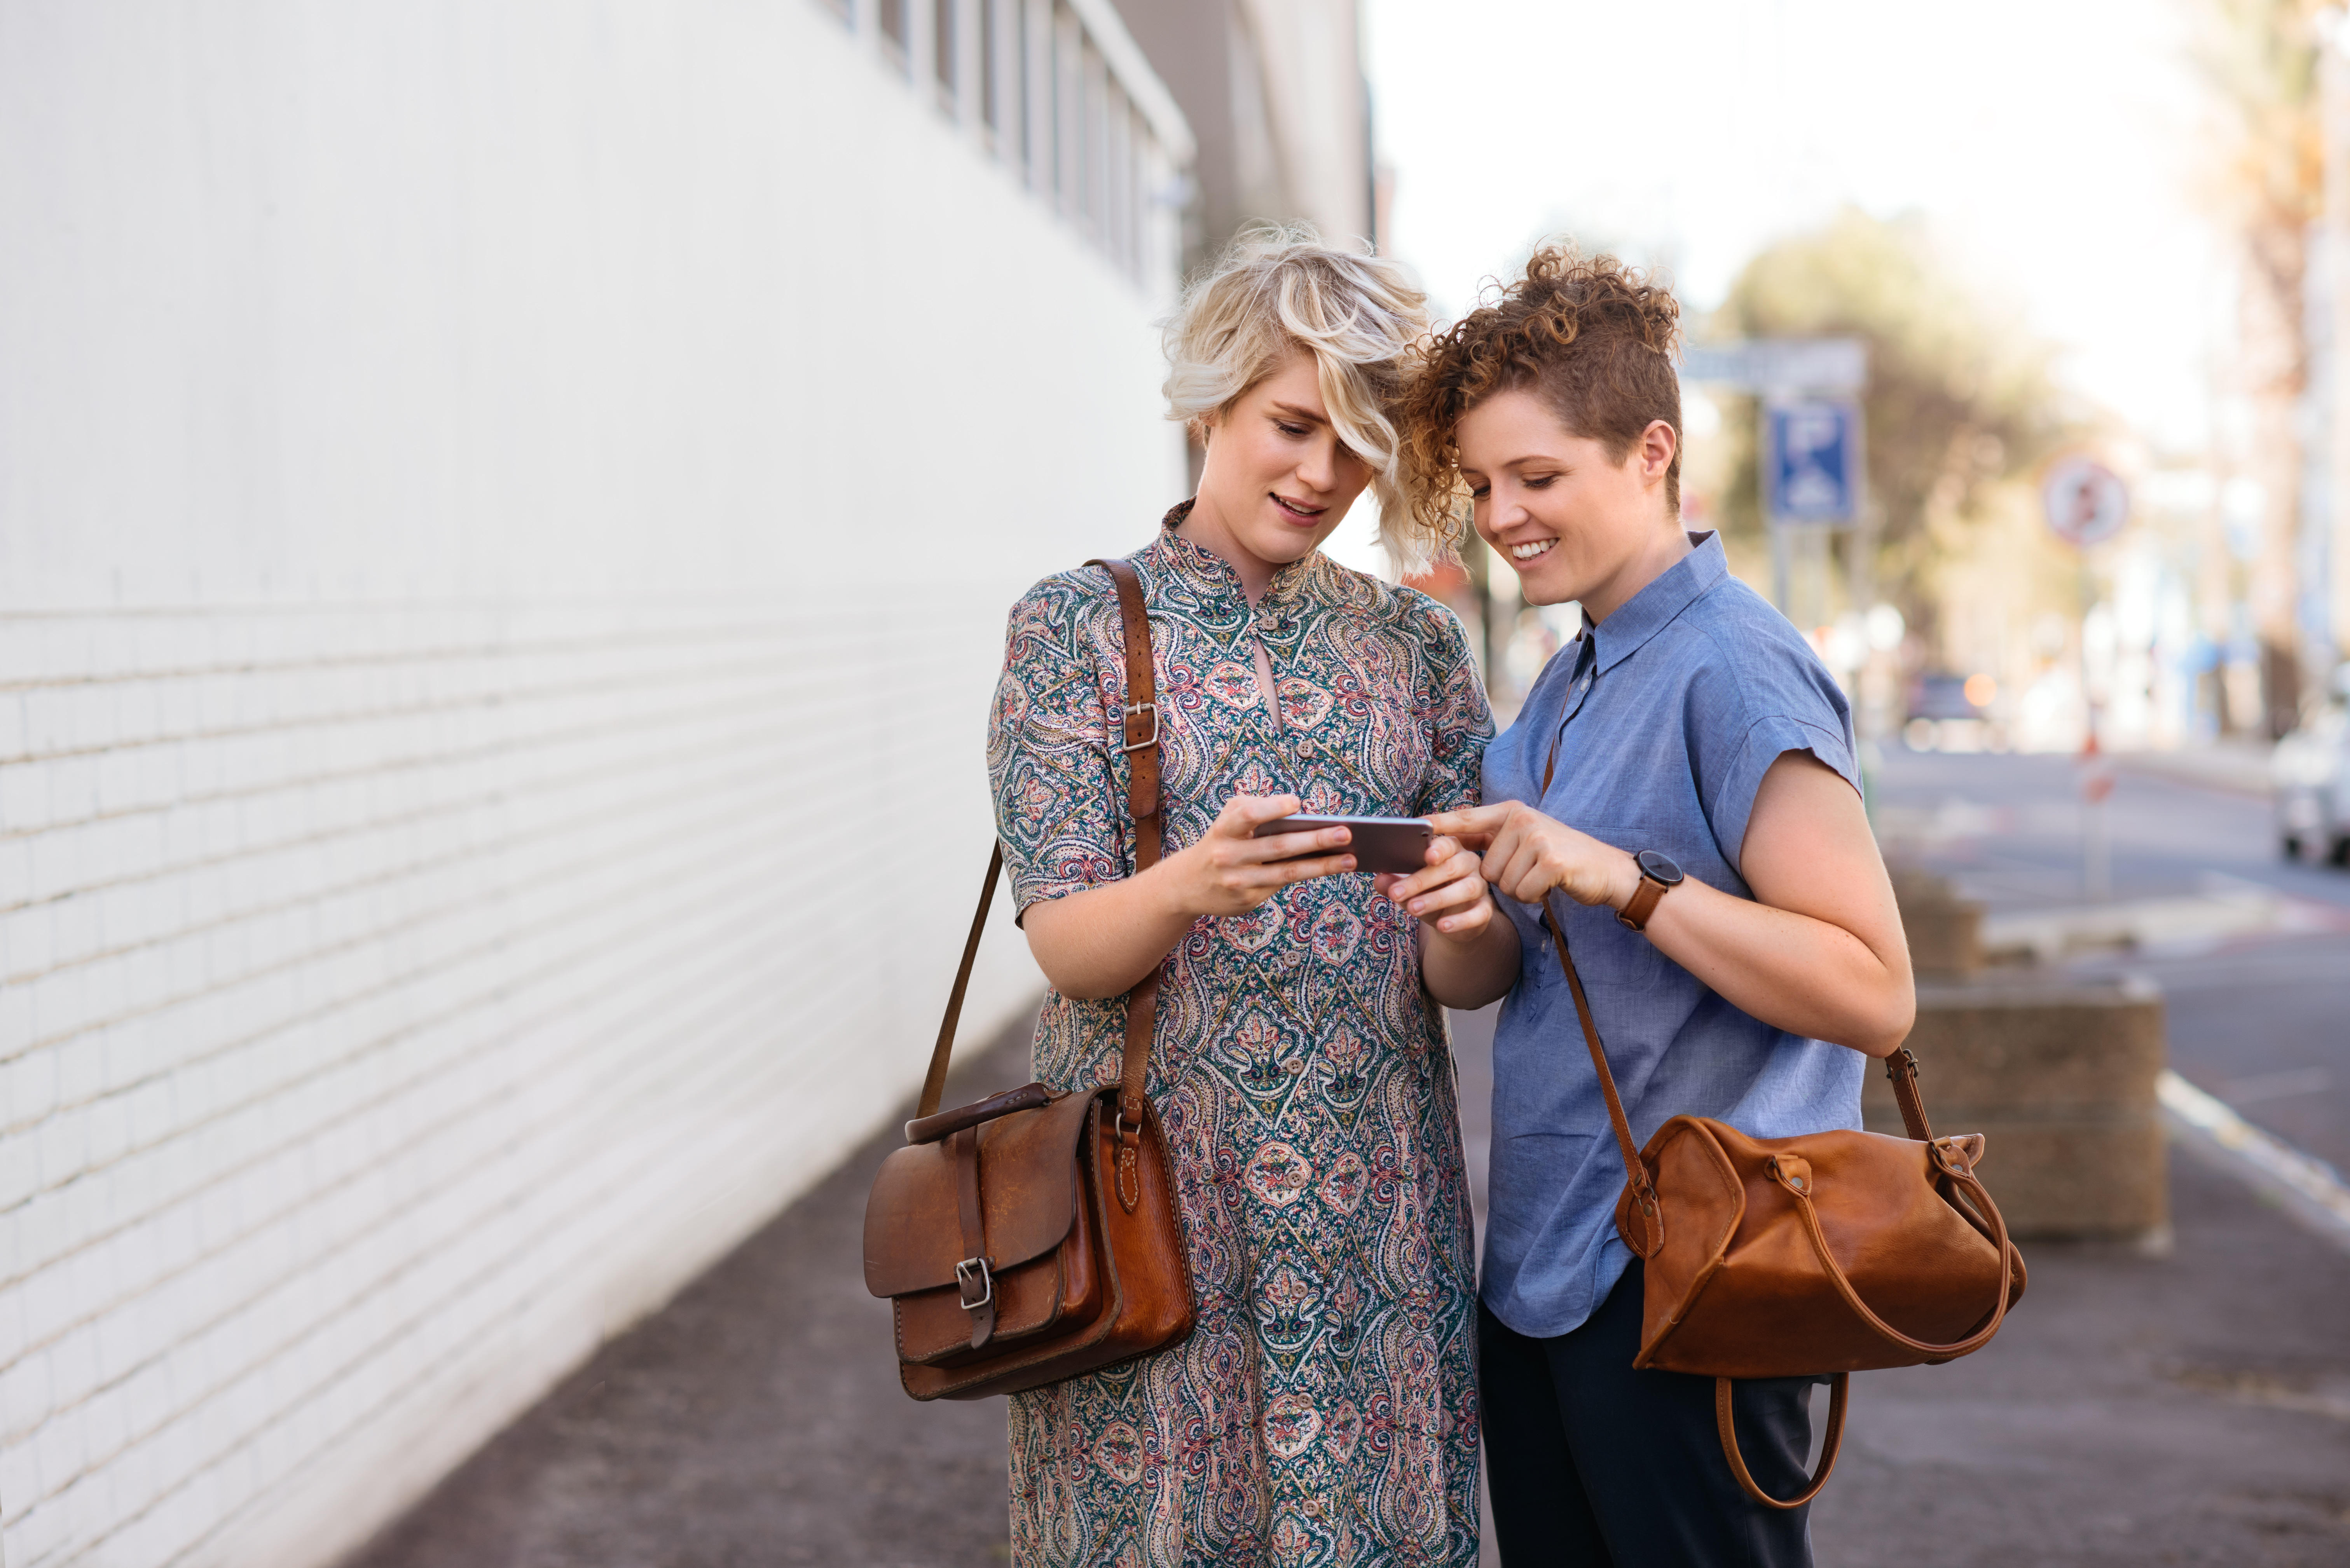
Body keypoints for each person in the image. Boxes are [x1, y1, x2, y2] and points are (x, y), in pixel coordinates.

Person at [986, 228, 1510, 1566]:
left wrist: (1466, 919)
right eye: (1292, 425)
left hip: (1374, 1210)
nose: (1320, 474)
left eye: (1357, 447)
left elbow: (1475, 978)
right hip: (1155, 1200)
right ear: (1213, 398)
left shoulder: (1415, 646)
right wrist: (1187, 886)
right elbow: (1065, 942)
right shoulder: (1076, 628)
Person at [1394, 248, 1918, 1566]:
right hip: (1543, 1276)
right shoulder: (1567, 682)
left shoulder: (1735, 671)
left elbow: (1873, 988)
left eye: (1538, 476)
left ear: (1650, 454)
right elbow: (1482, 981)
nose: (1502, 515)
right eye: (1482, 485)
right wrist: (1457, 904)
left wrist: (1621, 879)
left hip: (1701, 1280)